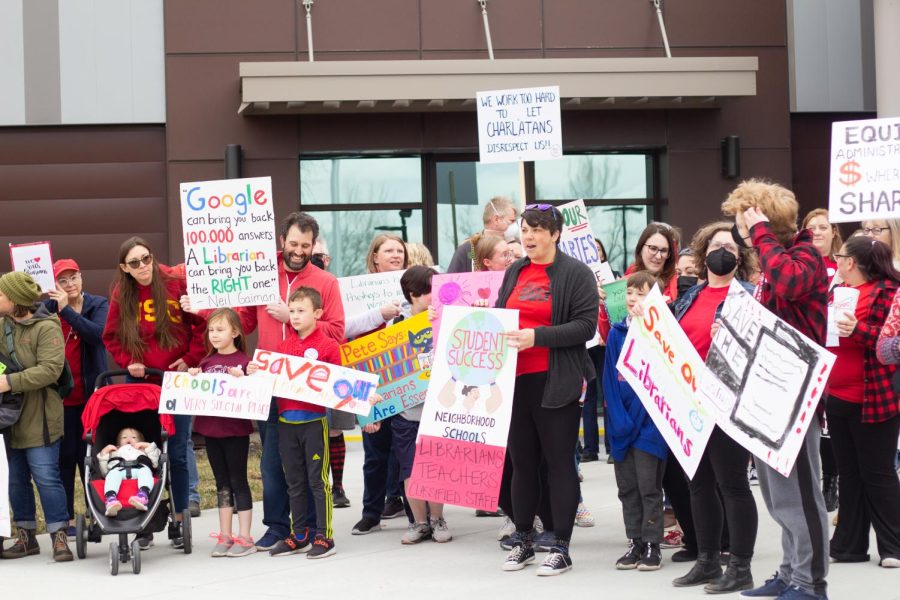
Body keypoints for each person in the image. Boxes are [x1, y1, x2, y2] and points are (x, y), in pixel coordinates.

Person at [722, 179, 830, 600]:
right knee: (778, 496)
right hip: (770, 395)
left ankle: (811, 583)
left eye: (742, 219)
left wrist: (760, 231)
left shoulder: (803, 256)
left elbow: (788, 283)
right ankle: (790, 572)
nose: (740, 230)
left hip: (796, 397)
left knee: (801, 497)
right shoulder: (776, 260)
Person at [232, 211, 345, 551]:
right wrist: (215, 307)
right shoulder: (262, 275)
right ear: (282, 241)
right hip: (269, 380)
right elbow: (244, 323)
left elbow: (338, 331)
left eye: (305, 245)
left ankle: (312, 528)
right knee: (272, 462)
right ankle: (278, 527)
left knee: (309, 465)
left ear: (314, 246)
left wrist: (292, 318)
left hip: (307, 387)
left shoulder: (326, 282)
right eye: (293, 244)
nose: (298, 251)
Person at [496, 203, 599, 576]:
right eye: (524, 229)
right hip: (515, 382)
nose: (529, 236)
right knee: (522, 464)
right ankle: (524, 538)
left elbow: (585, 327)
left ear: (555, 234)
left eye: (537, 229)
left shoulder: (576, 273)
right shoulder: (515, 271)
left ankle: (561, 546)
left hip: (557, 381)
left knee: (559, 464)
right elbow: (500, 313)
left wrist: (536, 336)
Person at [669, 222, 760, 593]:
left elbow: (760, 349)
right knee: (699, 484)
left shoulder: (750, 297)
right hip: (691, 402)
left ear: (739, 258)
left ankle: (739, 565)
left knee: (733, 484)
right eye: (717, 245)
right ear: (704, 252)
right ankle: (706, 560)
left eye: (731, 247)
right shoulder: (690, 295)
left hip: (728, 402)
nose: (723, 251)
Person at [102, 237, 207, 549]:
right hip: (142, 384)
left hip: (176, 380)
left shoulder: (176, 282)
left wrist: (190, 359)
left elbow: (201, 325)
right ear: (125, 268)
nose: (143, 266)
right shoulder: (123, 293)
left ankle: (178, 517)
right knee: (145, 452)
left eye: (146, 258)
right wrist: (129, 362)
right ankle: (143, 521)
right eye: (134, 263)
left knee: (177, 448)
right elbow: (110, 336)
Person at [826, 237, 900, 568]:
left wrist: (858, 330)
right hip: (838, 397)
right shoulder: (836, 290)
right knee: (849, 473)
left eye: (840, 257)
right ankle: (849, 546)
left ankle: (894, 547)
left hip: (875, 398)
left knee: (878, 473)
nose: (837, 262)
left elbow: (890, 345)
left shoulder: (888, 292)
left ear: (852, 262)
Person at [248, 287, 337, 559]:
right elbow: (271, 381)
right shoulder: (284, 348)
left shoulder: (328, 346)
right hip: (286, 423)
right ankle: (300, 535)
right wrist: (255, 371)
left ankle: (324, 536)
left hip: (314, 422)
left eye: (301, 311)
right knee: (294, 481)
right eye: (293, 310)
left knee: (317, 481)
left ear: (318, 314)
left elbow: (340, 386)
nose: (295, 316)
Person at [0, 272, 72, 561]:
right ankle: (26, 537)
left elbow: (50, 370)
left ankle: (59, 536)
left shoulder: (47, 327)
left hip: (41, 416)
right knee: (16, 480)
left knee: (46, 477)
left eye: (1, 294)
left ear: (16, 300)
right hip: (9, 417)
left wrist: (9, 382)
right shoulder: (2, 325)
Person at [602, 271, 668, 571]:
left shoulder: (661, 333)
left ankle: (653, 543)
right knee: (627, 487)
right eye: (630, 292)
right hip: (621, 426)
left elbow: (660, 382)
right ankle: (635, 541)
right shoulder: (617, 333)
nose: (633, 299)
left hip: (649, 427)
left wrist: (638, 420)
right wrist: (618, 419)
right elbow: (609, 381)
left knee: (648, 487)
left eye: (641, 294)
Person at [43, 258, 109, 535]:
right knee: (65, 458)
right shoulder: (46, 310)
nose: (70, 284)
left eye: (74, 278)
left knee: (91, 458)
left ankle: (96, 514)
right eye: (63, 280)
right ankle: (68, 519)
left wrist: (67, 311)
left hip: (91, 396)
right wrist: (55, 308)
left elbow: (98, 335)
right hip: (60, 398)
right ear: (54, 284)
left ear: (82, 277)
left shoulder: (98, 304)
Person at [386, 266, 452, 544]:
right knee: (410, 470)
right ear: (413, 295)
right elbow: (387, 368)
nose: (434, 296)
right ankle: (419, 522)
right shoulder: (396, 325)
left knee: (435, 467)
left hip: (438, 408)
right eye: (429, 291)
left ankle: (438, 520)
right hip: (406, 411)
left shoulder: (446, 318)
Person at [351, 234, 411, 534]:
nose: (396, 255)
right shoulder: (356, 291)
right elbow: (345, 328)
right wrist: (379, 314)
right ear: (375, 256)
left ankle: (416, 514)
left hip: (407, 379)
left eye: (400, 250)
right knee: (374, 451)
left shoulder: (415, 286)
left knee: (408, 450)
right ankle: (371, 513)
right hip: (370, 380)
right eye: (388, 250)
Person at [187, 308, 256, 557]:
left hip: (236, 432)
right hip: (211, 431)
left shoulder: (245, 362)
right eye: (211, 330)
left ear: (235, 332)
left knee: (239, 481)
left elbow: (255, 392)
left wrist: (245, 378)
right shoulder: (205, 363)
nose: (214, 335)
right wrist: (194, 376)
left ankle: (245, 537)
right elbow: (196, 393)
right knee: (221, 484)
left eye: (220, 329)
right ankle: (225, 535)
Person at [802, 208, 843, 513]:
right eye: (811, 226)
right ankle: (818, 478)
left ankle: (832, 479)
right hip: (807, 350)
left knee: (833, 420)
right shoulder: (800, 265)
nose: (816, 231)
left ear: (833, 232)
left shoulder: (843, 266)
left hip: (837, 350)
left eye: (823, 226)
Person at [98, 427, 160, 516]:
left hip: (139, 468)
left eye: (134, 437)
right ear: (118, 444)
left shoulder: (143, 450)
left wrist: (148, 446)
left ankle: (142, 496)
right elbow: (104, 472)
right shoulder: (115, 452)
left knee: (145, 472)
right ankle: (111, 499)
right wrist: (104, 453)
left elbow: (155, 463)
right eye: (124, 437)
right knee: (111, 474)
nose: (129, 439)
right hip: (119, 470)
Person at [447, 196, 519, 273]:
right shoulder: (467, 249)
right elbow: (451, 282)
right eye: (511, 221)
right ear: (496, 219)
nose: (514, 225)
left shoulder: (517, 246)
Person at [627, 222, 679, 300]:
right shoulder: (624, 284)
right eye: (653, 248)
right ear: (641, 248)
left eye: (664, 250)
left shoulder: (679, 285)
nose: (658, 256)